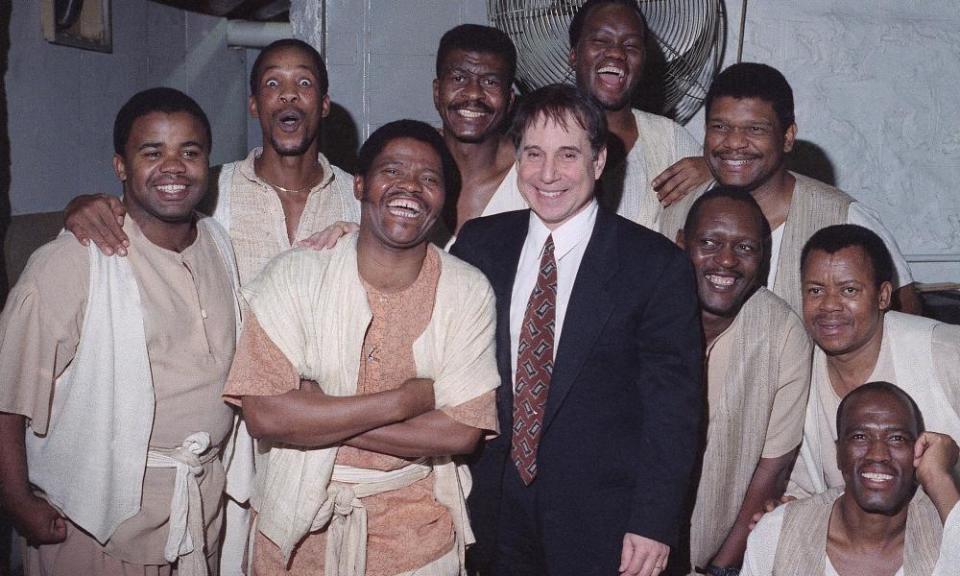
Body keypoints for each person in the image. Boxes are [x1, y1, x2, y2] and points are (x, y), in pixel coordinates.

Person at [222, 119, 500, 575]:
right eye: (391, 171)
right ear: (359, 185)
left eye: (429, 179)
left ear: (443, 199)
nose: (409, 186)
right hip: (296, 536)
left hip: (416, 540)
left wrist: (316, 416)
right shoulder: (294, 276)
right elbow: (265, 415)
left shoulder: (466, 291)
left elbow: (460, 433)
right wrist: (405, 401)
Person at [451, 84, 702, 576]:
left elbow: (673, 411)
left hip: (604, 524)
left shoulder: (655, 266)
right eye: (534, 154)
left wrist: (653, 522)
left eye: (568, 155)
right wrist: (347, 237)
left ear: (599, 160)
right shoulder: (480, 245)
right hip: (491, 513)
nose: (548, 174)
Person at [0, 88, 240, 575]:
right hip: (97, 526)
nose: (173, 167)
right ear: (121, 166)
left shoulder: (217, 242)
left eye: (189, 152)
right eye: (152, 152)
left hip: (198, 513)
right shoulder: (75, 259)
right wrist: (16, 499)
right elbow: (7, 394)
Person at [62, 38, 360, 283]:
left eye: (304, 82)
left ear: (323, 105)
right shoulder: (209, 190)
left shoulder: (358, 199)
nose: (288, 94)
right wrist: (82, 207)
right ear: (254, 105)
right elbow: (137, 216)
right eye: (272, 83)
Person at [701, 62, 920, 314]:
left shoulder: (845, 219)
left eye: (755, 129)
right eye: (720, 127)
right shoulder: (679, 207)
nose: (735, 142)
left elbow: (906, 315)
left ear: (787, 138)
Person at [674, 188, 811, 575]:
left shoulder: (781, 332)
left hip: (718, 553)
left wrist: (720, 566)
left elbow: (773, 466)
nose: (727, 260)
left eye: (746, 248)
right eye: (710, 242)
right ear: (681, 243)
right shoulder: (642, 311)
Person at [789, 224, 960, 499]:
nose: (829, 305)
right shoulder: (794, 371)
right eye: (815, 291)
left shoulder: (945, 352)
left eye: (849, 290)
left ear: (883, 296)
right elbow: (800, 488)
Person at [743, 382, 960, 575]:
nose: (878, 454)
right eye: (860, 437)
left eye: (897, 438)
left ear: (918, 451)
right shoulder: (779, 533)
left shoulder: (945, 527)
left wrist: (938, 479)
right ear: (839, 454)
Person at [568, 0, 711, 238]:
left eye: (631, 46)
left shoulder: (670, 139)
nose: (616, 52)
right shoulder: (541, 133)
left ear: (643, 61)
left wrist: (715, 170)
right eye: (600, 41)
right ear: (573, 55)